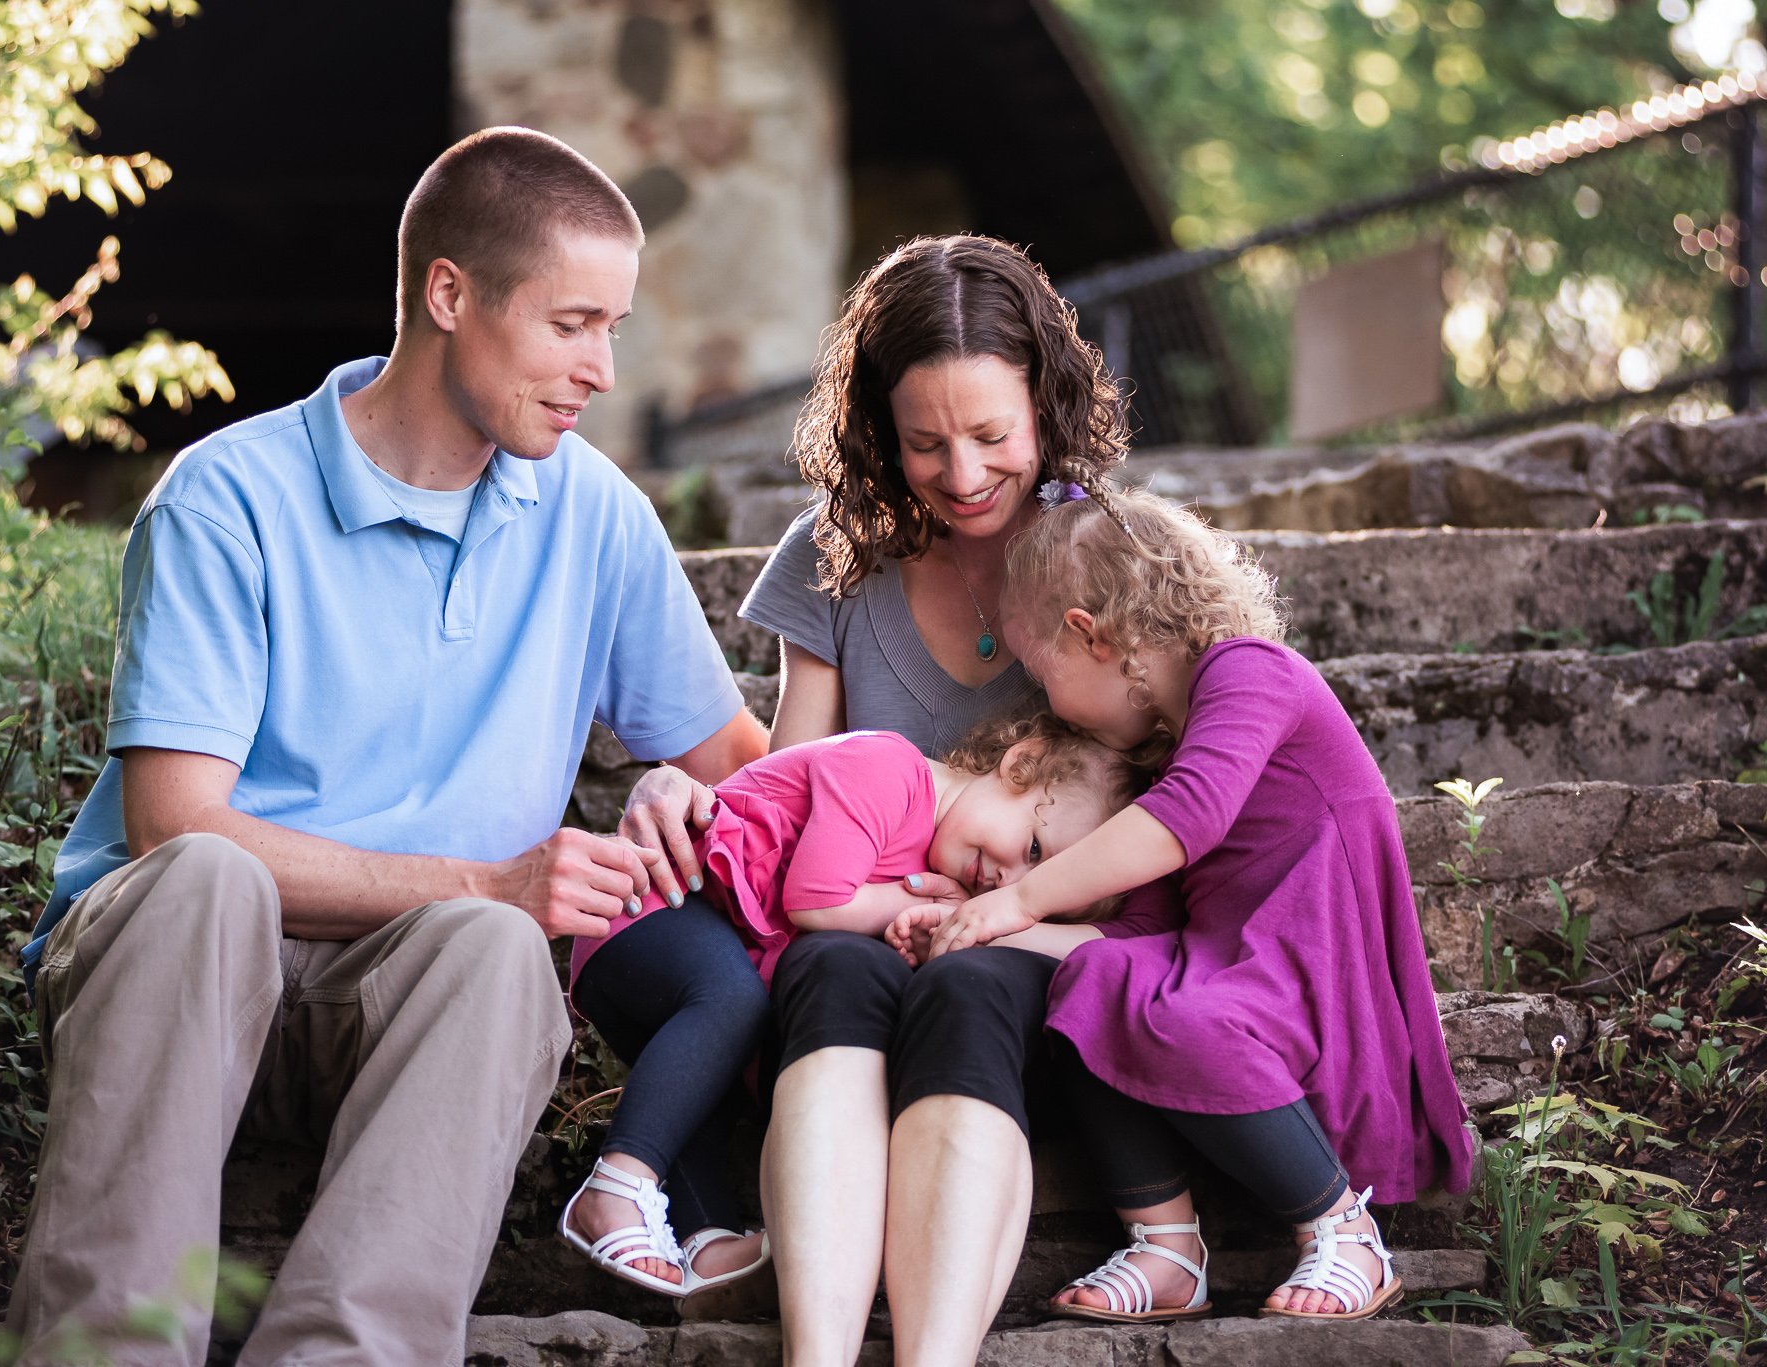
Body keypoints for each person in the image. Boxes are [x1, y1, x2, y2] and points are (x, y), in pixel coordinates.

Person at [6, 127, 766, 1367]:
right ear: (450, 294)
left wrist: (693, 778)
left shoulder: (591, 513)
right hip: (177, 984)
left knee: (499, 953)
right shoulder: (227, 497)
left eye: (612, 329)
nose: (600, 369)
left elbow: (750, 766)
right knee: (212, 882)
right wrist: (489, 878)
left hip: (400, 1007)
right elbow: (173, 829)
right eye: (571, 323)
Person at [618, 234, 1130, 1366]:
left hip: (1014, 946)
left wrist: (996, 911)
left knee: (970, 982)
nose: (960, 474)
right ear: (874, 434)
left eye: (993, 436)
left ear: (1045, 404)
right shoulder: (836, 552)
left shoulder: (1106, 559)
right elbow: (781, 787)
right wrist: (678, 783)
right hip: (846, 948)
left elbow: (1160, 806)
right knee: (832, 961)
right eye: (922, 442)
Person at [913, 484, 1473, 1323]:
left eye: (1043, 676)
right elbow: (1133, 931)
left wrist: (1017, 897)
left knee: (1183, 1017)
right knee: (1095, 980)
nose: (1048, 703)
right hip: (1228, 950)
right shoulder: (1165, 744)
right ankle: (1167, 1245)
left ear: (1087, 634)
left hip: (1309, 944)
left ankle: (1342, 1227)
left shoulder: (1248, 671)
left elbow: (1188, 820)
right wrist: (984, 932)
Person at [562, 716, 1137, 1298]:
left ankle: (704, 1239)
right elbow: (816, 901)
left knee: (717, 1081)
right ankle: (616, 1184)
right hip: (653, 898)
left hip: (702, 953)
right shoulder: (888, 769)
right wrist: (939, 906)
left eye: (1025, 889)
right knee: (733, 999)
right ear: (1019, 764)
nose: (1004, 881)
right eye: (1032, 847)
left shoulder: (938, 861)